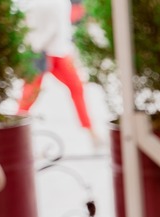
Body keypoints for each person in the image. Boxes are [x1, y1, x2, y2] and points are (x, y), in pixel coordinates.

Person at [17, 0, 101, 147]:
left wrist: (34, 48)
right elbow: (53, 28)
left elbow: (32, 26)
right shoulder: (57, 3)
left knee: (29, 96)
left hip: (49, 51)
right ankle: (91, 133)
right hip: (50, 52)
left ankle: (91, 131)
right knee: (74, 89)